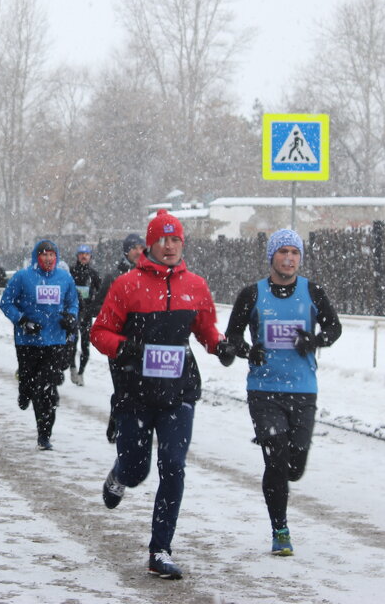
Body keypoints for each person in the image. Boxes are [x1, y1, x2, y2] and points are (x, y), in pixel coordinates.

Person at [90, 209, 233, 580]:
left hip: (178, 391)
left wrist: (223, 348)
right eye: (162, 240)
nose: (169, 247)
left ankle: (160, 549)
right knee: (138, 470)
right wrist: (129, 348)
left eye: (175, 240)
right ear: (149, 244)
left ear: (182, 243)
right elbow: (100, 333)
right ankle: (120, 474)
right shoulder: (126, 285)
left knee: (173, 465)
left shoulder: (196, 286)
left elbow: (206, 331)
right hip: (135, 393)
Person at [222, 228, 342, 557]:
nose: (289, 258)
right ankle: (280, 529)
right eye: (283, 252)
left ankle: (288, 476)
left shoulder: (312, 292)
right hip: (264, 389)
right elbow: (231, 340)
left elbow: (335, 327)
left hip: (303, 388)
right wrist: (250, 352)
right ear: (271, 256)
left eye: (294, 253)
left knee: (294, 467)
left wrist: (314, 341)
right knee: (275, 457)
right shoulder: (252, 294)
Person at [0, 239, 80, 450]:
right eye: (44, 254)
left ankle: (44, 434)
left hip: (55, 341)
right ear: (37, 256)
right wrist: (23, 320)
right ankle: (24, 389)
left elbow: (73, 302)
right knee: (29, 382)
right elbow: (6, 302)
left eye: (52, 254)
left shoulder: (64, 278)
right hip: (28, 341)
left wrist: (70, 317)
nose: (48, 258)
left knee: (47, 388)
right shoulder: (23, 277)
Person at [102, 232, 146, 442]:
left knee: (137, 389)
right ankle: (117, 425)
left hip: (142, 344)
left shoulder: (150, 276)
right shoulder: (114, 277)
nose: (138, 252)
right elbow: (99, 307)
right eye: (133, 248)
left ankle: (129, 425)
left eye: (141, 247)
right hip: (119, 342)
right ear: (126, 252)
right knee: (121, 388)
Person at [67, 244, 103, 386]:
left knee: (85, 346)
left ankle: (81, 373)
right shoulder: (70, 272)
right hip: (72, 313)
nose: (84, 256)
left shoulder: (93, 274)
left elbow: (101, 293)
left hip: (86, 314)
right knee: (72, 344)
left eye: (86, 254)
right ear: (77, 256)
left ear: (90, 257)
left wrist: (95, 308)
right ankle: (73, 368)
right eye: (81, 254)